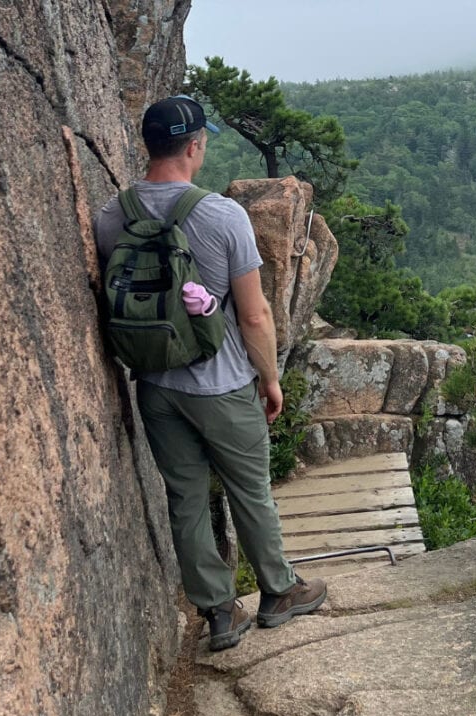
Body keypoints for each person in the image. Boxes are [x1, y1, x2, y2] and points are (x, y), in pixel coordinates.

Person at [94, 95, 326, 652]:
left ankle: (220, 613)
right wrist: (269, 380)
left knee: (185, 498)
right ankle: (278, 592)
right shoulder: (222, 216)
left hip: (154, 385)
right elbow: (254, 314)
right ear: (194, 146)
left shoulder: (111, 215)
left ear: (149, 144)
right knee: (250, 491)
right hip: (222, 386)